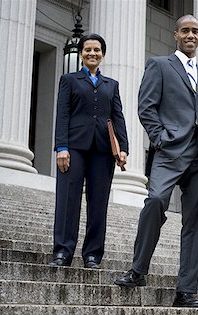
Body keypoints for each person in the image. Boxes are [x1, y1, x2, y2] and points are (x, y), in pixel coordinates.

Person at [114, 15, 198, 308]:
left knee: (193, 224)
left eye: (195, 31)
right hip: (169, 152)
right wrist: (160, 138)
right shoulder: (159, 65)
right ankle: (138, 270)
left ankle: (186, 291)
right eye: (185, 30)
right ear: (176, 34)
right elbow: (146, 106)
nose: (190, 35)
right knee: (156, 200)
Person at [50, 33, 128, 269]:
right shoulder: (69, 80)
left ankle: (93, 254)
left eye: (96, 50)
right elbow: (62, 114)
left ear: (102, 54)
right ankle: (63, 251)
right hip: (73, 148)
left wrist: (123, 147)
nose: (92, 53)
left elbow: (118, 116)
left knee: (98, 203)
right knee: (67, 200)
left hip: (102, 151)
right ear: (81, 53)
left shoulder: (111, 85)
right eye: (87, 50)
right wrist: (61, 147)